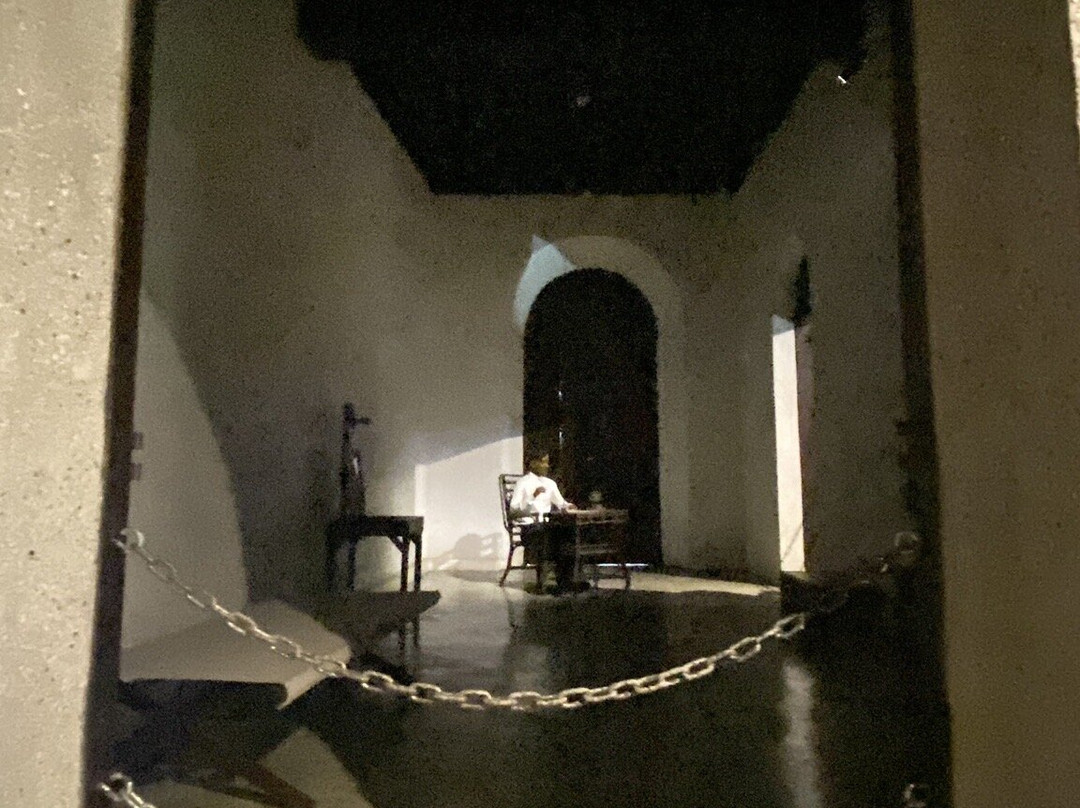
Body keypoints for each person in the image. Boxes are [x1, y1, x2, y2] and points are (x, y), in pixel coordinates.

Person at [509, 451, 577, 593]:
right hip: (530, 527)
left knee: (567, 532)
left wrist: (568, 506)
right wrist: (532, 497)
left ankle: (565, 580)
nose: (546, 466)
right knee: (547, 533)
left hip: (546, 525)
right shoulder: (523, 483)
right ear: (534, 463)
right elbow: (514, 511)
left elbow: (561, 503)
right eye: (543, 462)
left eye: (547, 462)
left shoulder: (550, 483)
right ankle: (547, 581)